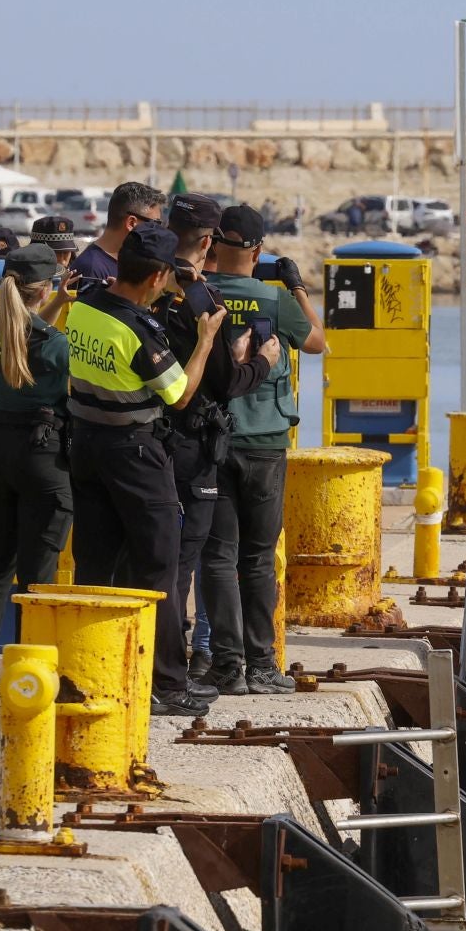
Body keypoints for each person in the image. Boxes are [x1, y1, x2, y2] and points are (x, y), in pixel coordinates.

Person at [62, 221, 222, 716]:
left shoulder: (84, 306)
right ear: (156, 277)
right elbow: (179, 394)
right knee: (160, 567)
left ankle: (90, 671)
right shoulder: (139, 331)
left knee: (96, 563)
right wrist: (204, 341)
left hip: (85, 444)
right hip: (134, 452)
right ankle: (170, 685)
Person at [199, 204, 324, 696]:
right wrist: (297, 287)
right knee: (256, 559)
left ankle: (225, 665)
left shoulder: (200, 295)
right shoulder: (274, 301)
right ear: (257, 251)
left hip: (212, 441)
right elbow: (317, 342)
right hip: (265, 444)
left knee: (217, 557)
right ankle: (264, 667)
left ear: (213, 244)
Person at [157, 193, 279, 682]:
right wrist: (260, 362)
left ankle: (217, 663)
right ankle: (255, 665)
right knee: (244, 557)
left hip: (155, 441)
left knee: (203, 557)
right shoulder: (204, 298)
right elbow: (227, 381)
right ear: (205, 242)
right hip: (216, 440)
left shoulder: (148, 287)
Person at [0, 245, 78, 687]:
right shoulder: (55, 344)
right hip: (42, 454)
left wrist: (58, 300)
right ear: (42, 287)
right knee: (38, 575)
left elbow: (21, 326)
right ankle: (32, 671)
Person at [67, 181, 166, 287]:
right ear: (131, 223)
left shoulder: (129, 263)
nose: (158, 231)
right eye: (155, 223)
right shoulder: (91, 269)